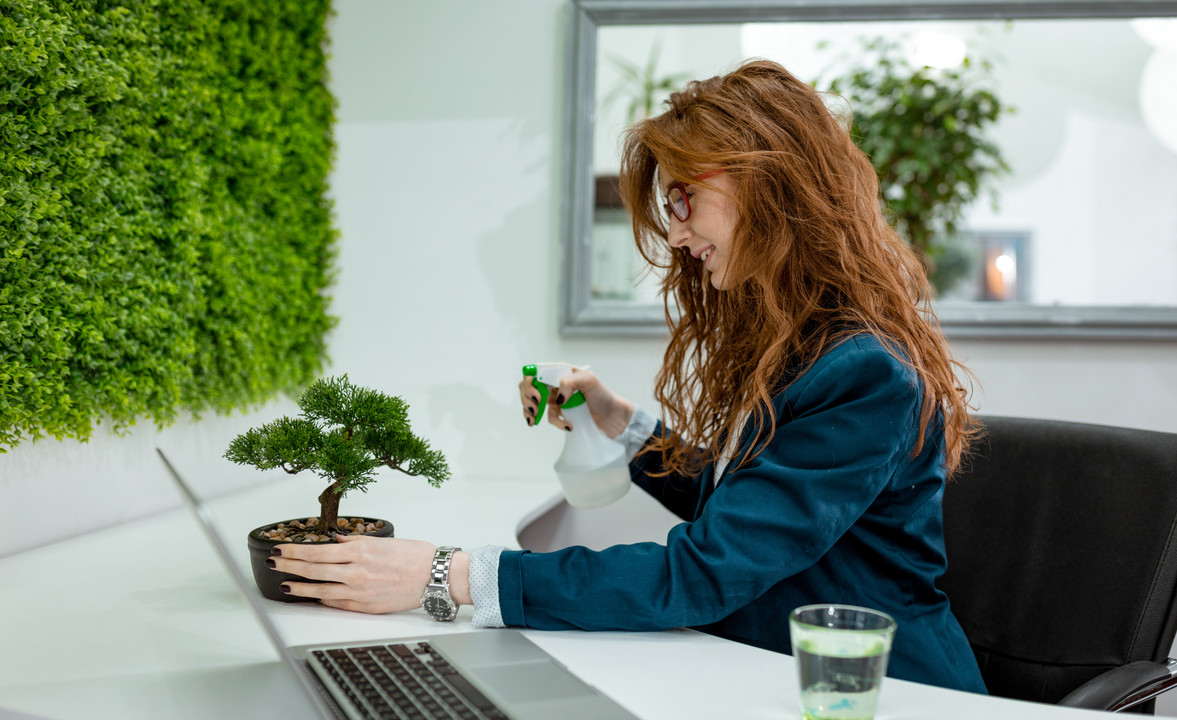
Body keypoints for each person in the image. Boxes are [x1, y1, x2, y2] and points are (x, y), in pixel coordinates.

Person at [271, 59, 986, 694]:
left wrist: (447, 573)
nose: (675, 234)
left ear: (768, 183)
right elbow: (740, 505)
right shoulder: (801, 343)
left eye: (683, 200)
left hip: (881, 693)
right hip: (778, 672)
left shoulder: (864, 373)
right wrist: (615, 419)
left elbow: (705, 570)